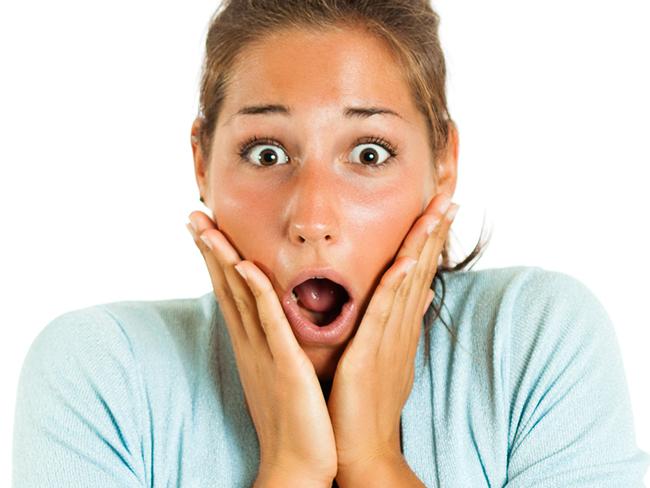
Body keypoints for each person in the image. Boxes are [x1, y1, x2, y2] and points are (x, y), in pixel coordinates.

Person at [12, 1, 649, 487]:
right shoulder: (101, 371)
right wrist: (290, 466)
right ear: (201, 163)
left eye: (369, 154)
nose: (312, 217)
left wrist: (373, 458)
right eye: (266, 153)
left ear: (444, 162)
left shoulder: (532, 339)